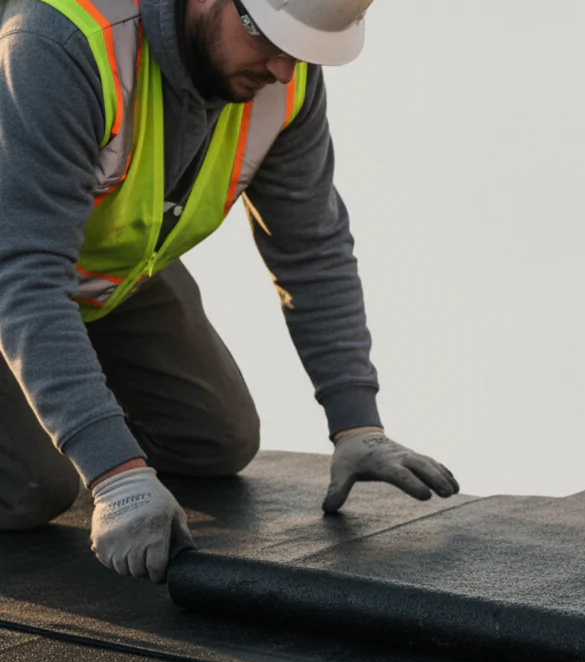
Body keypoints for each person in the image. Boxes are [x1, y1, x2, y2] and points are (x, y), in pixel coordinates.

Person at [0, 0, 458, 583]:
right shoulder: (64, 43)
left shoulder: (285, 79)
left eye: (302, 52)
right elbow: (24, 274)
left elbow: (310, 247)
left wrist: (357, 423)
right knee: (33, 489)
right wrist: (116, 475)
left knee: (218, 442)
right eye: (272, 42)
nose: (283, 71)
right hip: (17, 273)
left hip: (107, 279)